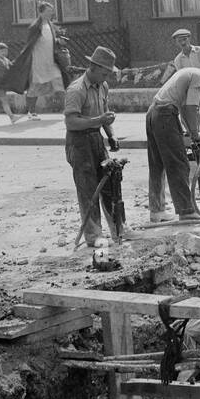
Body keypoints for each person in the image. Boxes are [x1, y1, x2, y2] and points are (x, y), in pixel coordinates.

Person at [145, 63, 200, 221]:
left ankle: (156, 211)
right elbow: (192, 108)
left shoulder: (190, 72)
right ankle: (186, 211)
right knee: (179, 164)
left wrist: (192, 132)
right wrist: (194, 132)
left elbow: (185, 109)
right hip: (165, 114)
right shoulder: (198, 77)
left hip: (153, 112)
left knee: (158, 164)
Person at [64, 45, 123, 248]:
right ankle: (93, 234)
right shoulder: (76, 90)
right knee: (88, 188)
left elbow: (104, 113)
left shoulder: (102, 86)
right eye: (105, 72)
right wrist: (98, 119)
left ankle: (117, 229)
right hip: (78, 142)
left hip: (96, 138)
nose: (107, 77)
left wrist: (111, 135)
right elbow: (71, 122)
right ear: (94, 67)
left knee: (109, 184)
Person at [3, 1, 65, 120]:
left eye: (51, 11)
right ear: (41, 12)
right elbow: (29, 45)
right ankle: (31, 112)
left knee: (59, 84)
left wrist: (58, 41)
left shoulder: (50, 25)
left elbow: (49, 40)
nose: (51, 13)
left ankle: (67, 111)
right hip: (38, 64)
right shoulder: (35, 26)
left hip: (51, 63)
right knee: (34, 89)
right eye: (48, 11)